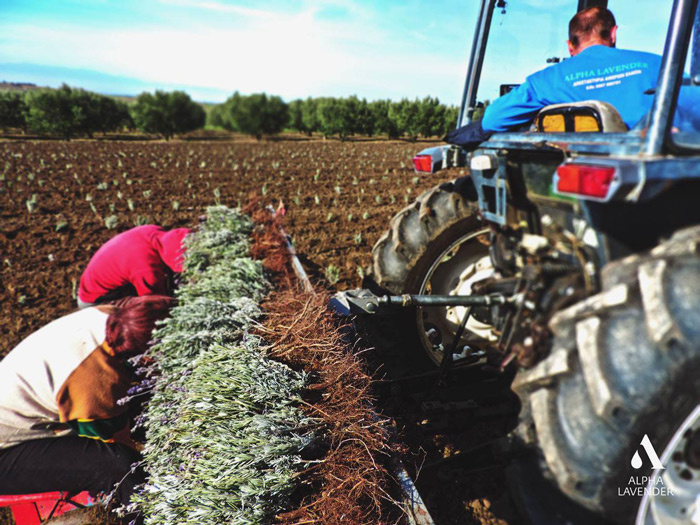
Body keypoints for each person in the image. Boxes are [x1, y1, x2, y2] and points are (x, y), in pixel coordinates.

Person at [0, 296, 174, 506]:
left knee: (143, 398)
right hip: (7, 452)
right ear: (146, 355)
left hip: (37, 409)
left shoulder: (113, 314)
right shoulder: (94, 379)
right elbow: (116, 440)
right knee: (120, 466)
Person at [446, 7, 663, 147]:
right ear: (614, 33)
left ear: (570, 46)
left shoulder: (546, 80)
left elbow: (492, 119)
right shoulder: (659, 65)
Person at [78, 225, 190, 308]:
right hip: (98, 300)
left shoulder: (154, 231)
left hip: (113, 280)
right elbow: (153, 304)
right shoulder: (146, 269)